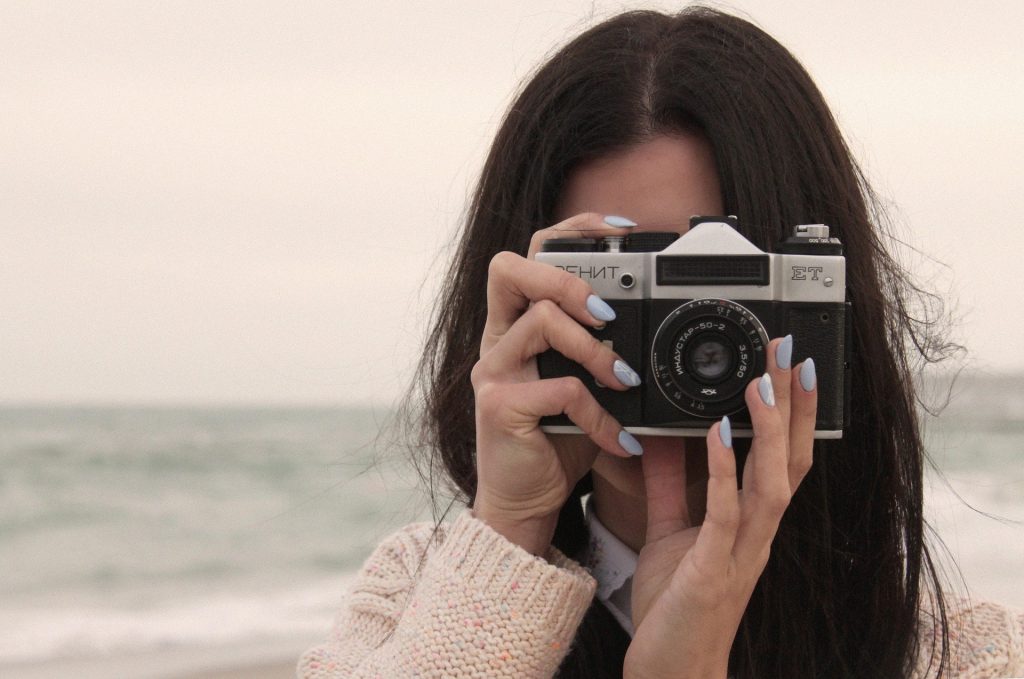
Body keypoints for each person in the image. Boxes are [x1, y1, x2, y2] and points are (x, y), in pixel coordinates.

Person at [298, 7, 1023, 678]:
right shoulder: (410, 603)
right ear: (519, 309)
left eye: (726, 293)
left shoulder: (967, 657)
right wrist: (511, 528)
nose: (691, 350)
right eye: (622, 291)